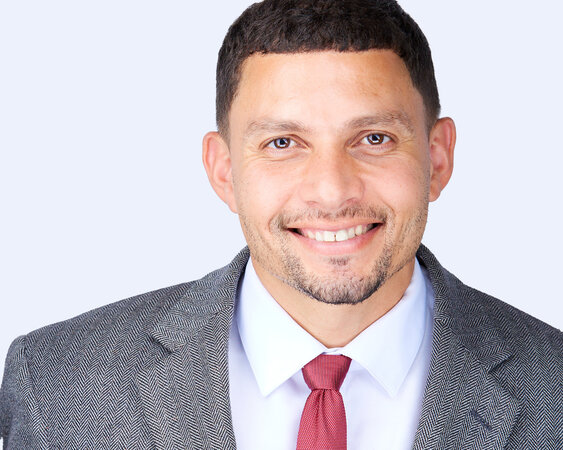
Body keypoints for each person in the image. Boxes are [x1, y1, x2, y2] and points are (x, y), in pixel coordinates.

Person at [1, 0, 561, 448]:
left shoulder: (553, 387)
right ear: (224, 171)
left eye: (374, 138)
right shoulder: (56, 386)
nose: (332, 190)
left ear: (437, 159)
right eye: (283, 143)